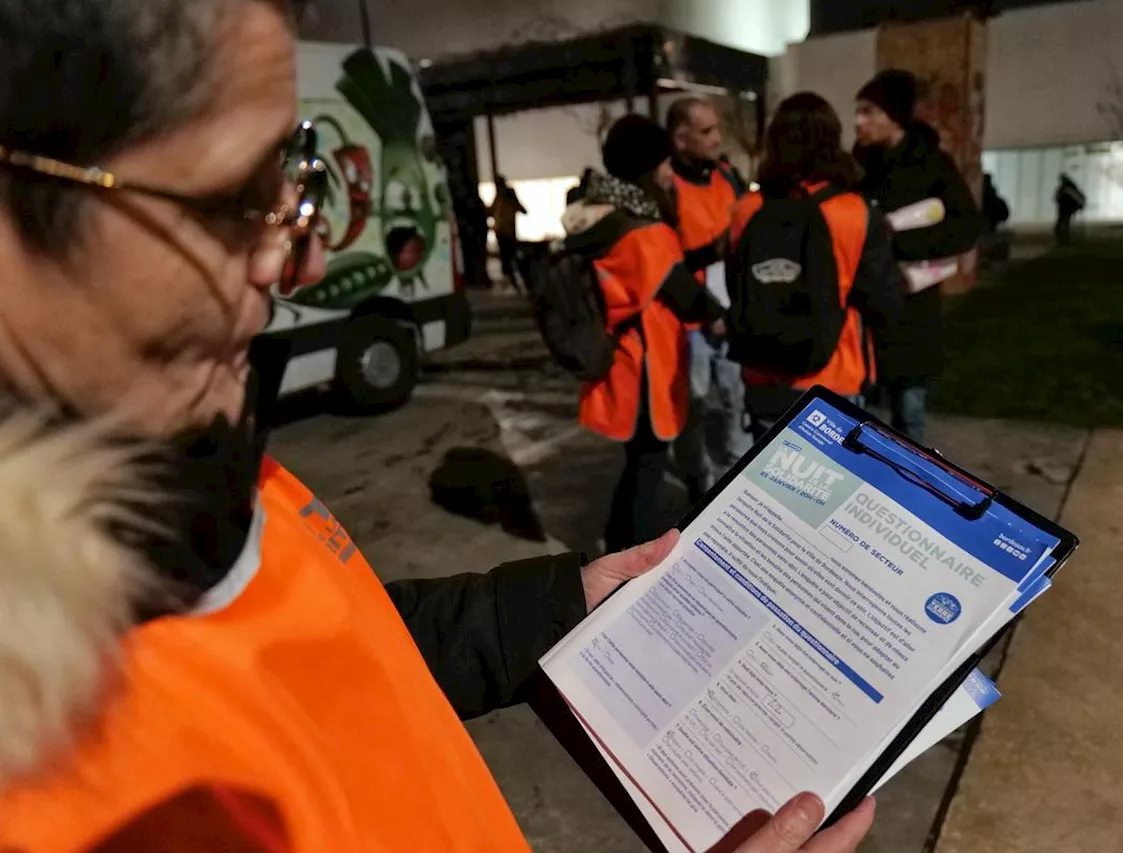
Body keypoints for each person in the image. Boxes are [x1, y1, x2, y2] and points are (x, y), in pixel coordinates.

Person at [0, 3, 877, 852]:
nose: (302, 260)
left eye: (294, 174)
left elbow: (332, 650)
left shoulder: (183, 445)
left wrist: (547, 611)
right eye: (235, 197)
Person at [571, 115, 727, 552]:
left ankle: (617, 539)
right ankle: (629, 554)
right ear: (647, 166)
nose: (667, 171)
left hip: (615, 360)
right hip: (644, 370)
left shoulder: (603, 218)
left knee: (639, 463)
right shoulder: (646, 232)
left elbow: (659, 279)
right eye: (662, 162)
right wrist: (726, 320)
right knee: (648, 467)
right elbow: (684, 294)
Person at [730, 92, 903, 438]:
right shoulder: (854, 212)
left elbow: (738, 284)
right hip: (833, 375)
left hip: (761, 369)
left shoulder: (746, 209)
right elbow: (883, 303)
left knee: (767, 483)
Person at [854, 69, 983, 444]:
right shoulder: (857, 166)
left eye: (868, 111)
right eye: (858, 112)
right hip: (865, 313)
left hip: (912, 314)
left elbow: (965, 227)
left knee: (908, 417)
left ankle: (909, 494)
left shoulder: (933, 164)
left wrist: (895, 244)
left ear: (893, 116)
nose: (859, 121)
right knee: (859, 421)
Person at [665, 96, 753, 501]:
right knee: (694, 407)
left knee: (738, 399)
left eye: (717, 128)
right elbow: (665, 259)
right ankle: (698, 482)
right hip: (690, 321)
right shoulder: (667, 187)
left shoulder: (726, 177)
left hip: (731, 311)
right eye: (706, 131)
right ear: (680, 139)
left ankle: (742, 475)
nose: (718, 138)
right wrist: (712, 251)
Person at [488, 174, 527, 293]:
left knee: (508, 257)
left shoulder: (504, 196)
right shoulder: (502, 196)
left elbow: (492, 211)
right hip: (505, 231)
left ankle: (514, 283)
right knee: (509, 257)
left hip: (505, 231)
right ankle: (514, 283)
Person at [1054, 172, 1086, 245]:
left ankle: (1062, 239)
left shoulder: (1065, 188)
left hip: (1065, 209)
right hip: (1067, 209)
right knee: (1064, 223)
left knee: (1061, 223)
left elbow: (1057, 198)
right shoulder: (1071, 187)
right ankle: (1064, 238)